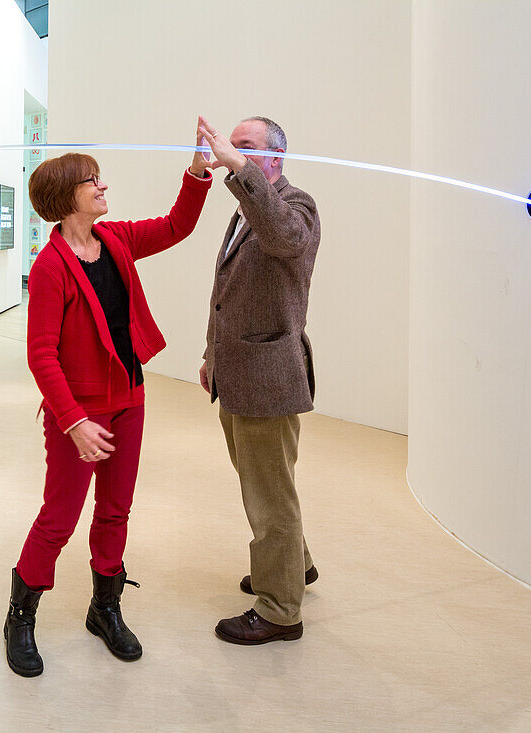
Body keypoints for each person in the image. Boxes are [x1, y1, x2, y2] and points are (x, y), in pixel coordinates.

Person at [4, 129, 213, 677]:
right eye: (91, 181)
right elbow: (41, 355)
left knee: (115, 509)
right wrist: (73, 420)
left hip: (129, 399)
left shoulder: (116, 238)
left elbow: (176, 226)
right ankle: (20, 616)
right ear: (66, 195)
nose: (102, 187)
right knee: (60, 516)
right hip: (80, 412)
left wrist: (196, 173)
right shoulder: (51, 268)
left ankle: (105, 608)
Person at [196, 115, 321, 645]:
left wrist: (236, 166)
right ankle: (294, 568)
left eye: (244, 146)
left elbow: (282, 236)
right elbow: (228, 291)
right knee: (268, 486)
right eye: (229, 143)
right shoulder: (246, 211)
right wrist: (211, 356)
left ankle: (279, 608)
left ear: (274, 158)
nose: (227, 150)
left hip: (268, 379)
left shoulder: (297, 208)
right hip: (239, 372)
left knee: (270, 499)